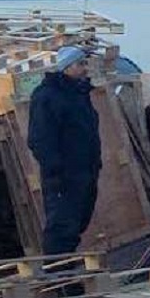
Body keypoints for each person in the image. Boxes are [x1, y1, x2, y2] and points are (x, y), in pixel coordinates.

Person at [28, 45, 102, 255]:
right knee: (61, 227)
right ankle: (58, 277)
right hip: (64, 177)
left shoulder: (79, 93)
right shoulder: (48, 96)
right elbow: (39, 138)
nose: (85, 68)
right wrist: (56, 170)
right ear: (67, 67)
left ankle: (67, 268)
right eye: (81, 64)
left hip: (84, 172)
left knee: (78, 223)